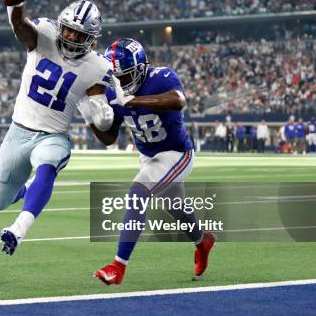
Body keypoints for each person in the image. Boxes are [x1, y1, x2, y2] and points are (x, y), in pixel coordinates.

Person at [0, 0, 114, 256]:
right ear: (60, 26)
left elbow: (102, 119)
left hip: (53, 135)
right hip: (18, 130)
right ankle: (28, 189)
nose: (71, 39)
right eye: (68, 31)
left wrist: (100, 111)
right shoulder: (43, 34)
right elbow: (20, 26)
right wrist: (16, 2)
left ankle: (18, 230)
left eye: (79, 35)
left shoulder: (97, 65)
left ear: (92, 39)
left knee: (48, 165)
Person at [81, 38, 216, 285]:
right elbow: (110, 138)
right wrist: (90, 118)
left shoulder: (160, 77)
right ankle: (202, 241)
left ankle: (118, 266)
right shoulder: (114, 89)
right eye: (117, 77)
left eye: (126, 75)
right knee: (176, 207)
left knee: (137, 193)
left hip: (177, 153)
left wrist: (134, 101)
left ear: (141, 68)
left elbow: (178, 100)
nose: (121, 82)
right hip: (149, 157)